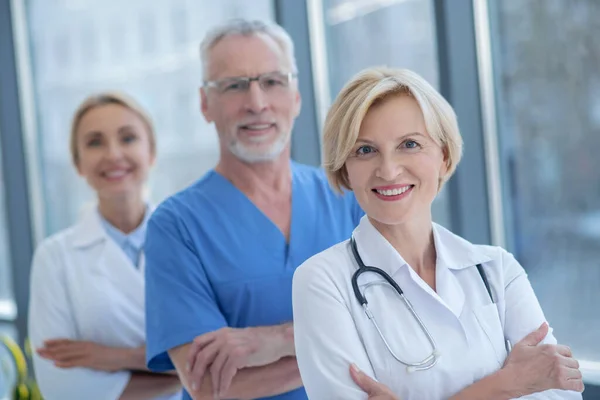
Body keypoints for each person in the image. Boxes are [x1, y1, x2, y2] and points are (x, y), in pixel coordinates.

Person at [292, 67, 584, 400]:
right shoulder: (321, 281)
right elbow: (532, 384)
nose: (388, 170)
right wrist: (508, 384)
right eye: (365, 150)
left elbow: (559, 392)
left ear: (443, 157)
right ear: (345, 168)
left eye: (409, 144)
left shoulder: (496, 269)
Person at [143, 19, 363, 400]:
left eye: (272, 81)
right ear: (204, 104)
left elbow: (399, 324)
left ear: (295, 97)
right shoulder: (176, 226)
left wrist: (277, 340)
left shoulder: (349, 196)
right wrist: (342, 344)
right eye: (234, 85)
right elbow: (210, 386)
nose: (257, 103)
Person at [28, 92, 182, 400]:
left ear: (151, 152)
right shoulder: (54, 257)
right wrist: (180, 376)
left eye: (128, 138)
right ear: (78, 163)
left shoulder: (188, 243)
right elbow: (62, 388)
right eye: (95, 142)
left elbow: (217, 355)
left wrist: (113, 357)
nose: (113, 154)